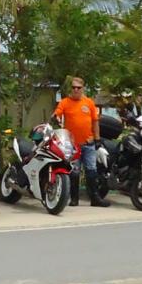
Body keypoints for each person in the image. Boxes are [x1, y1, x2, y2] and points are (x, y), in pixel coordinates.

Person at [53, 77, 109, 207]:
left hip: (88, 143)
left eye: (79, 87)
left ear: (83, 88)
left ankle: (95, 198)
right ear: (71, 89)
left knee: (91, 170)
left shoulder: (89, 102)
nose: (76, 90)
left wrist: (97, 139)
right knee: (74, 171)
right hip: (72, 146)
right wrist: (56, 117)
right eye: (73, 87)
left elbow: (95, 122)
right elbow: (57, 114)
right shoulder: (64, 102)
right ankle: (74, 199)